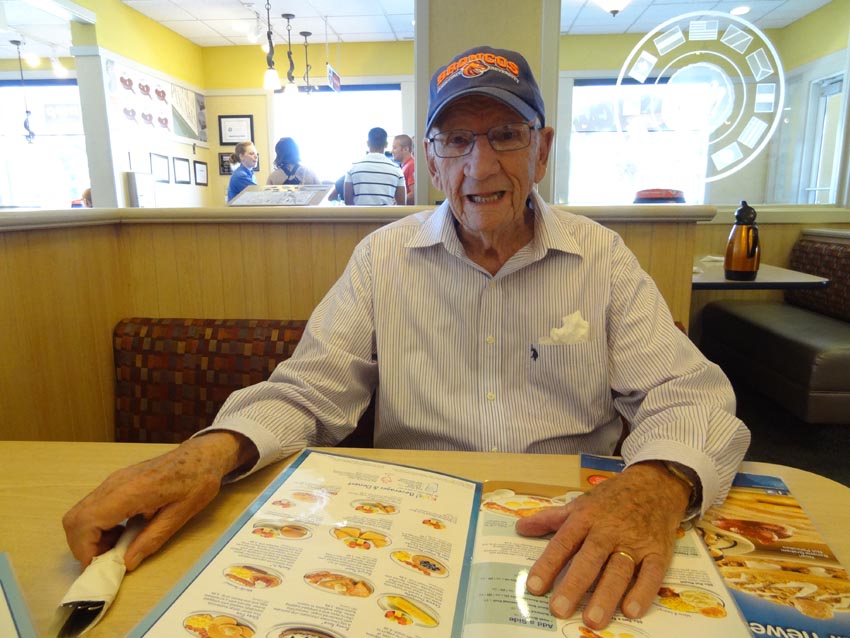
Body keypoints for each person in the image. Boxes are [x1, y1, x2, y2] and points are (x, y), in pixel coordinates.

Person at [62, 46, 749, 631]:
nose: (478, 169)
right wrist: (209, 451)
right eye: (456, 141)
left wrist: (655, 483)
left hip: (568, 528)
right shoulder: (381, 258)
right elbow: (311, 389)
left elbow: (686, 395)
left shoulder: (603, 258)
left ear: (541, 149)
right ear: (429, 156)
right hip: (404, 530)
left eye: (504, 135)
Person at [343, 127, 405, 205]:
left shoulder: (353, 168)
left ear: (368, 143)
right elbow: (402, 204)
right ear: (386, 144)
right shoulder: (397, 170)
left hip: (360, 216)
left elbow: (348, 203)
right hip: (387, 216)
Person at [392, 134, 415, 204]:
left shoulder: (411, 165)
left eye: (394, 148)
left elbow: (414, 194)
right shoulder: (404, 166)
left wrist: (395, 202)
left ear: (405, 149)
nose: (392, 151)